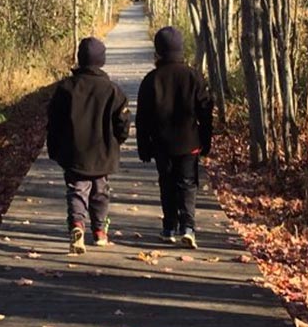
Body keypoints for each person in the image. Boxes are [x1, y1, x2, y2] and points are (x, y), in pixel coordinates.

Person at [47, 36, 131, 255]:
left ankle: (77, 226)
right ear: (101, 61)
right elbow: (122, 122)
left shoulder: (66, 88)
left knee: (77, 191)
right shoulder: (113, 90)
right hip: (103, 152)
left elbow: (54, 121)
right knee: (101, 192)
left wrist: (55, 148)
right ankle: (100, 231)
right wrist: (116, 142)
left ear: (80, 59)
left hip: (74, 153)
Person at [136, 26, 213, 249]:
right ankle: (188, 227)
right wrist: (205, 140)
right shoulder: (193, 76)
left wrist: (144, 146)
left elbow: (143, 118)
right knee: (188, 183)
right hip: (190, 143)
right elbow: (205, 110)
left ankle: (169, 226)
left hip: (161, 144)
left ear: (158, 51)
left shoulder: (151, 80)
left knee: (167, 182)